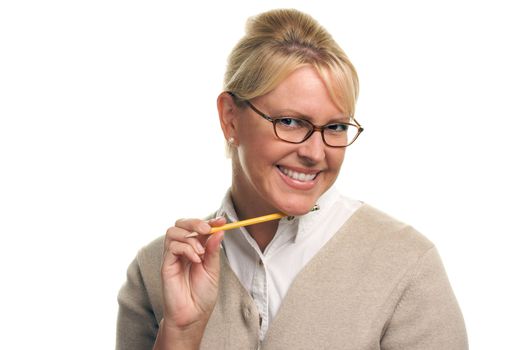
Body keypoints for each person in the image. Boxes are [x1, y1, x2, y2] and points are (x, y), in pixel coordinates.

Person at [116, 8, 468, 350]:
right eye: (290, 122)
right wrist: (181, 334)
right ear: (230, 119)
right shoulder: (156, 270)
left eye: (335, 127)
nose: (315, 153)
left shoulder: (405, 264)